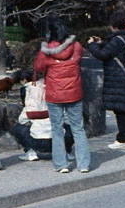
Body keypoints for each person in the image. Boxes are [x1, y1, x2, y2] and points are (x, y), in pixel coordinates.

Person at [33, 16, 91, 174]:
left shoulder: (46, 50)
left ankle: (61, 164)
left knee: (57, 130)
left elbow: (39, 67)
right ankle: (83, 164)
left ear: (50, 32)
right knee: (78, 129)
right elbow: (81, 55)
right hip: (74, 93)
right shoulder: (76, 46)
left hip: (54, 95)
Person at [86, 9, 125, 149]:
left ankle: (123, 140)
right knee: (124, 110)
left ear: (114, 25)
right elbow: (112, 52)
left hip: (118, 79)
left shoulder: (116, 40)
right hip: (124, 78)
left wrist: (91, 45)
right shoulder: (123, 38)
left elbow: (102, 55)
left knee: (121, 110)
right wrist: (101, 43)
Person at [10, 70, 75, 161]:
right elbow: (67, 120)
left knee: (18, 127)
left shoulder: (31, 103)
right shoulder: (57, 103)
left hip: (37, 142)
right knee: (73, 126)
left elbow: (21, 120)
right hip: (57, 140)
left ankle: (30, 152)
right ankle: (66, 151)